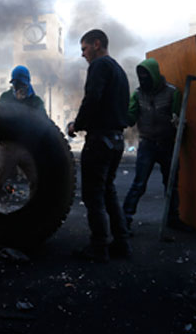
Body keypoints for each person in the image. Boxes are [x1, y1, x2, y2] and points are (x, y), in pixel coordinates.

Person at [67, 29, 131, 263]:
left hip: (100, 141)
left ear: (96, 44)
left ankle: (99, 247)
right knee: (108, 191)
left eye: (84, 48)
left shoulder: (100, 66)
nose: (83, 54)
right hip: (116, 140)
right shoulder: (118, 69)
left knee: (93, 195)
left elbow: (92, 98)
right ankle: (121, 243)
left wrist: (77, 124)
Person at [122, 58, 189, 233]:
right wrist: (120, 115)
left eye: (146, 76)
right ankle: (124, 221)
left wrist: (178, 122)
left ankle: (173, 218)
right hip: (147, 144)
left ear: (154, 75)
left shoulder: (172, 92)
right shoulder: (137, 94)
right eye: (140, 76)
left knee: (171, 184)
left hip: (167, 144)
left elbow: (178, 116)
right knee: (139, 184)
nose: (143, 79)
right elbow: (130, 117)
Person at [0, 65, 46, 202]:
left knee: (37, 180)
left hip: (28, 146)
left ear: (27, 83)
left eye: (21, 83)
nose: (18, 87)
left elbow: (44, 123)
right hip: (8, 146)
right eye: (15, 83)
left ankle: (36, 212)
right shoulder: (6, 97)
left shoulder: (36, 101)